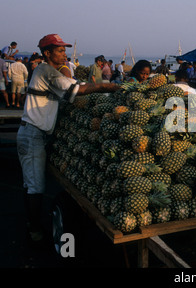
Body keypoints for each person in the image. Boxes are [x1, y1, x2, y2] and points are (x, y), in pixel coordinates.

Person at [16, 34, 120, 244]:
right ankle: (34, 230)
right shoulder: (45, 70)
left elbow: (71, 84)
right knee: (35, 186)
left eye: (65, 51)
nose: (64, 54)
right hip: (32, 134)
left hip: (37, 134)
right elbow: (77, 89)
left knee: (31, 184)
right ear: (47, 53)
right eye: (60, 50)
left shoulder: (50, 72)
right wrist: (107, 87)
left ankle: (31, 223)